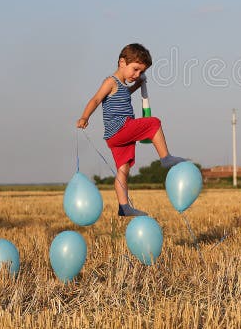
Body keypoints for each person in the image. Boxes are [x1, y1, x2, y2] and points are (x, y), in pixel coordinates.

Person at [77, 43, 186, 216]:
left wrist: (138, 85)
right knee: (153, 123)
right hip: (120, 128)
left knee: (123, 169)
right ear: (122, 63)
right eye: (135, 69)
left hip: (117, 136)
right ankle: (165, 157)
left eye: (141, 72)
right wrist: (85, 116)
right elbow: (96, 99)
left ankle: (124, 206)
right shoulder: (111, 82)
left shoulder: (121, 85)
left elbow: (126, 94)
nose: (137, 75)